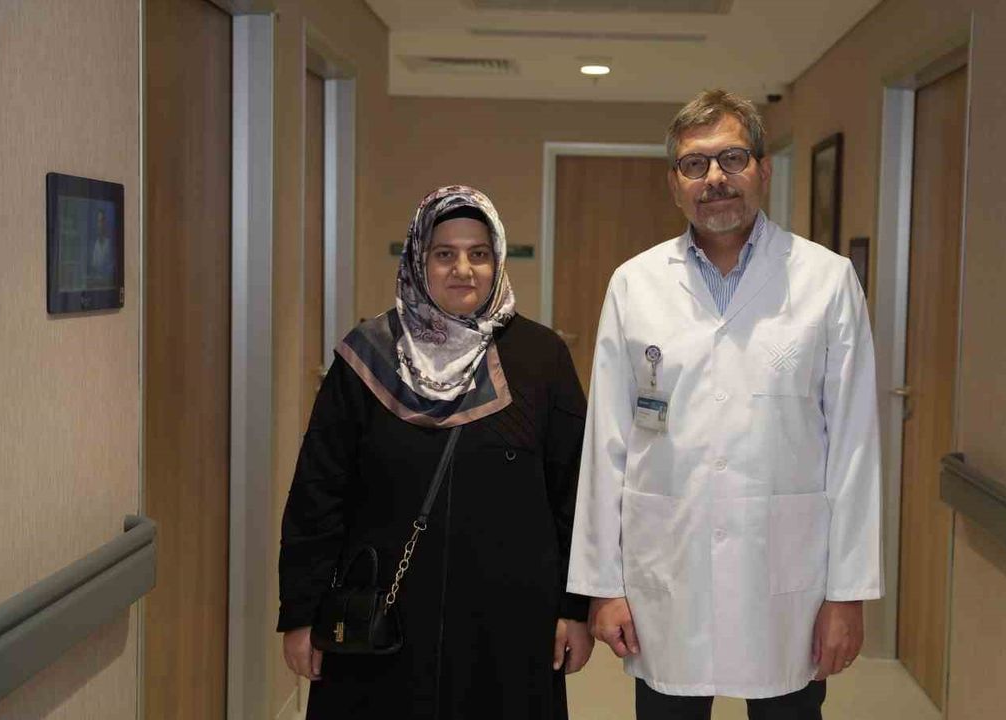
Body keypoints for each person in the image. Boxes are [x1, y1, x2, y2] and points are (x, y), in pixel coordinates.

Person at [567, 90, 883, 718]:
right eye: (694, 164)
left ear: (763, 170)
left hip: (786, 578)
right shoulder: (634, 284)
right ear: (674, 183)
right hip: (668, 573)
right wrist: (602, 585)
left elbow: (854, 448)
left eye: (732, 158)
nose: (714, 177)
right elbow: (606, 445)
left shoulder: (827, 281)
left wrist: (847, 594)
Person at [278, 185, 594, 719]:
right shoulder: (368, 356)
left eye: (479, 254)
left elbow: (574, 494)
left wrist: (574, 608)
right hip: (383, 619)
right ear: (418, 260)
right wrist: (302, 611)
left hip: (508, 624)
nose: (462, 269)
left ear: (497, 261)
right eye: (444, 253)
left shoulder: (541, 358)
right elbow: (318, 492)